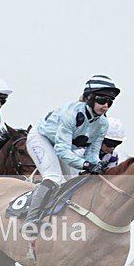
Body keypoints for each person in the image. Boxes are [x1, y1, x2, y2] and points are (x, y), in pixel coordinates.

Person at [23, 75, 120, 231]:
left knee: (73, 183)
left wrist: (96, 165)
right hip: (41, 139)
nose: (106, 106)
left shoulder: (102, 123)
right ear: (89, 98)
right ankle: (31, 221)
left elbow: (92, 153)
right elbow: (62, 150)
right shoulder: (72, 114)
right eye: (102, 100)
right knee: (53, 177)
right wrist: (86, 164)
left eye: (110, 102)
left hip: (62, 147)